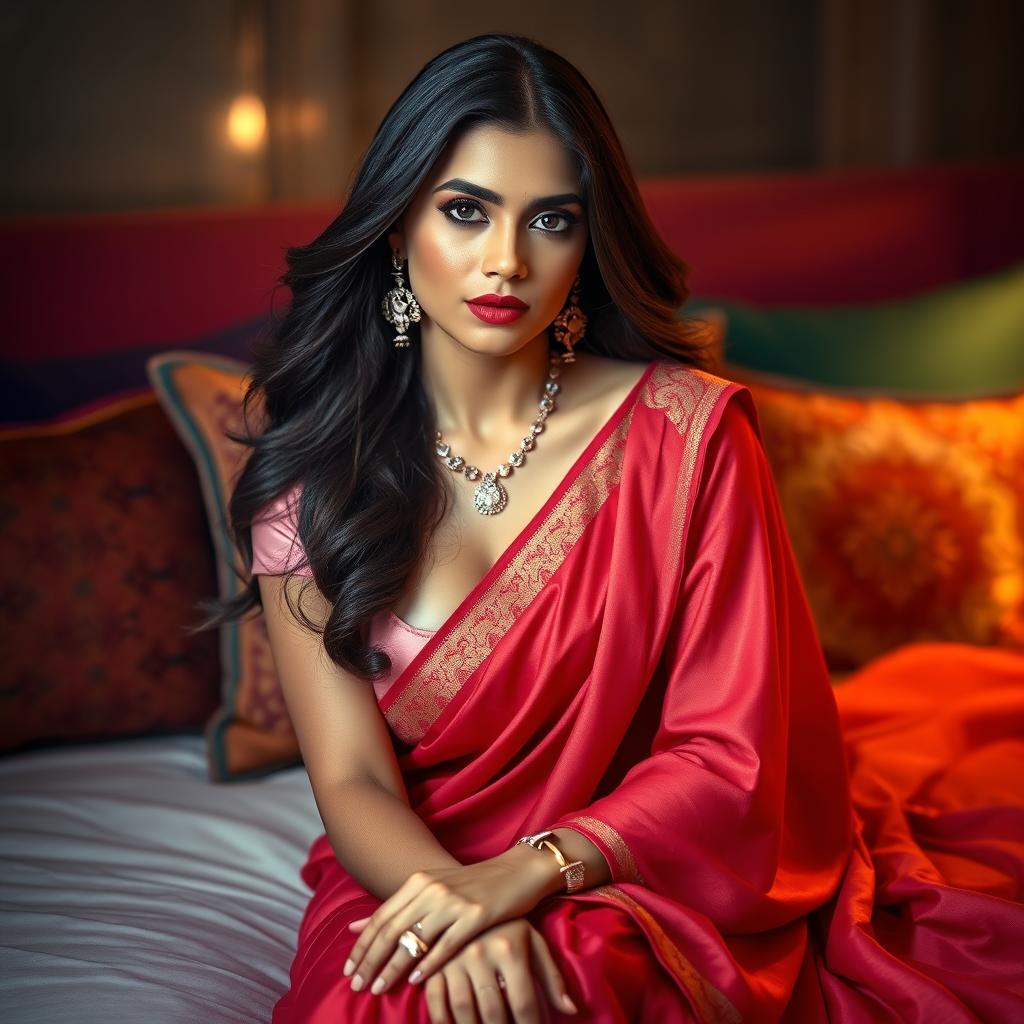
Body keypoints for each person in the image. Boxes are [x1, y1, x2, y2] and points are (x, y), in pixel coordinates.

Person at [201, 33, 1024, 1023]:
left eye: (550, 219)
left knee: (579, 989)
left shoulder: (685, 436)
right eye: (465, 211)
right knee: (402, 1001)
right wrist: (457, 901)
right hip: (414, 865)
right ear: (395, 227)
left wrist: (529, 875)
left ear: (587, 242)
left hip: (643, 861)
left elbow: (732, 758)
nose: (504, 260)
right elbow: (351, 776)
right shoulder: (307, 484)